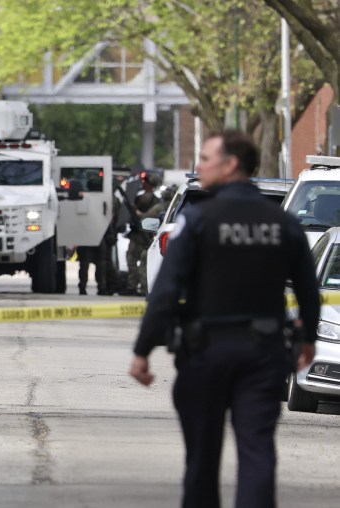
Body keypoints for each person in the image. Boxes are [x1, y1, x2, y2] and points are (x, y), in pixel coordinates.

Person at [128, 130, 320, 508]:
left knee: (202, 457)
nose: (198, 166)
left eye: (205, 158)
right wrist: (307, 338)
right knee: (257, 452)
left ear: (231, 164)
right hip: (264, 356)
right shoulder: (283, 223)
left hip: (206, 353)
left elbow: (166, 291)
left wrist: (143, 350)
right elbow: (308, 289)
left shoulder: (198, 219)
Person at [120, 174, 158, 296]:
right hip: (145, 234)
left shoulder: (144, 198)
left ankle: (133, 286)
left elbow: (140, 214)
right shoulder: (156, 200)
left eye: (145, 182)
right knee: (142, 262)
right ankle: (141, 287)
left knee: (132, 260)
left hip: (140, 235)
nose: (143, 183)